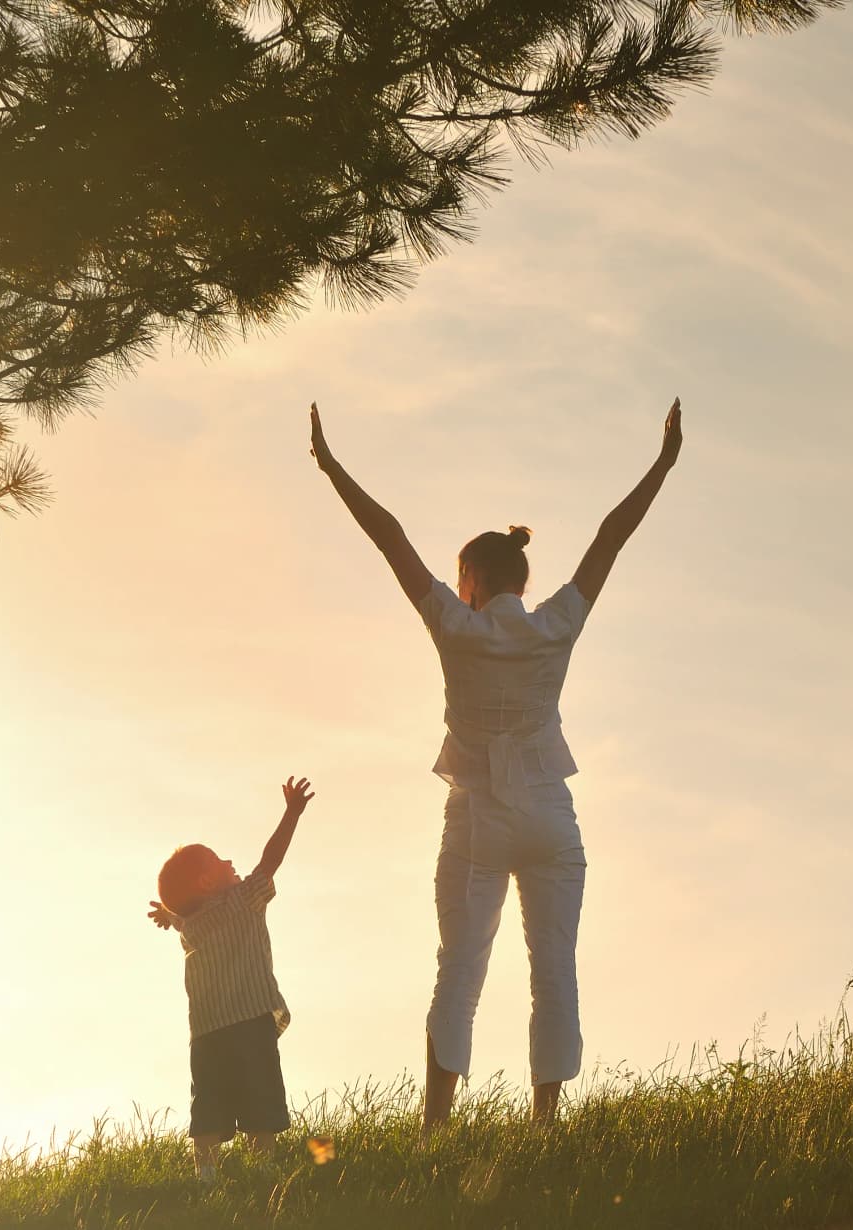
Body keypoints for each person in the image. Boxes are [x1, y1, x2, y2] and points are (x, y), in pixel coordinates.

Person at [309, 398, 683, 1128]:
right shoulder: (556, 626)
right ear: (521, 578)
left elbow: (389, 538)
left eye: (459, 578)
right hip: (550, 818)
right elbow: (612, 536)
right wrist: (663, 463)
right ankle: (544, 1128)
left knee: (461, 972)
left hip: (479, 819)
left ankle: (436, 1127)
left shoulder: (456, 626)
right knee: (555, 974)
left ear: (473, 578)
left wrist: (330, 467)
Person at [148, 775, 316, 1180]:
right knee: (261, 1105)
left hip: (206, 1036)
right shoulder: (243, 900)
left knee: (208, 1107)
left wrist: (169, 915)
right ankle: (264, 1172)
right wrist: (291, 814)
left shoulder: (192, 925)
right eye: (220, 860)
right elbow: (270, 859)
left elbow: (185, 917)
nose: (229, 862)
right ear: (208, 881)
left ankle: (206, 1177)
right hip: (249, 1024)